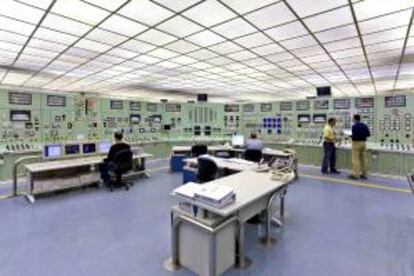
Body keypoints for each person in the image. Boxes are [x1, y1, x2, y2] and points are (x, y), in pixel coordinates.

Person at [349, 114, 370, 179]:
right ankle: (364, 174)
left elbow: (354, 135)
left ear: (354, 119)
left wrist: (350, 136)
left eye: (353, 119)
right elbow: (368, 134)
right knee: (363, 159)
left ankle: (355, 174)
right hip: (363, 143)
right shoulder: (364, 125)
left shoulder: (354, 126)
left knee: (355, 159)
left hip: (356, 143)